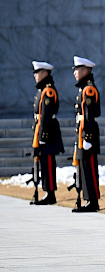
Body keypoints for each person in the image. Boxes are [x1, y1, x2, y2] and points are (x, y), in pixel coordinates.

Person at [30, 61, 64, 205]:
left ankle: (50, 194)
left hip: (48, 132)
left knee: (48, 162)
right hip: (42, 130)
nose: (35, 75)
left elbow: (46, 115)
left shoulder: (48, 91)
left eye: (37, 72)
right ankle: (47, 192)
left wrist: (42, 136)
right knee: (44, 162)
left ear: (44, 73)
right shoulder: (42, 90)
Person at [72, 56, 102, 213]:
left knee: (89, 167)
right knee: (84, 167)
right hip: (83, 132)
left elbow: (89, 115)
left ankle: (92, 201)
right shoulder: (84, 88)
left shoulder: (89, 89)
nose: (75, 73)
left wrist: (87, 137)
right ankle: (88, 199)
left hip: (87, 134)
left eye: (77, 70)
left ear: (85, 70)